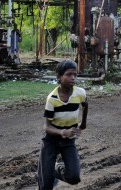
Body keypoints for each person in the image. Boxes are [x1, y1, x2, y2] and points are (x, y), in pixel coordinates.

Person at [37, 59, 88, 190]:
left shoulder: (80, 93)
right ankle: (48, 172)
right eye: (69, 74)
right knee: (45, 185)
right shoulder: (52, 99)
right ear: (59, 77)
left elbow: (85, 105)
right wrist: (62, 132)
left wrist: (83, 124)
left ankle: (55, 169)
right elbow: (46, 127)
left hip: (68, 141)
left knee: (74, 177)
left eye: (75, 75)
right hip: (51, 140)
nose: (73, 78)